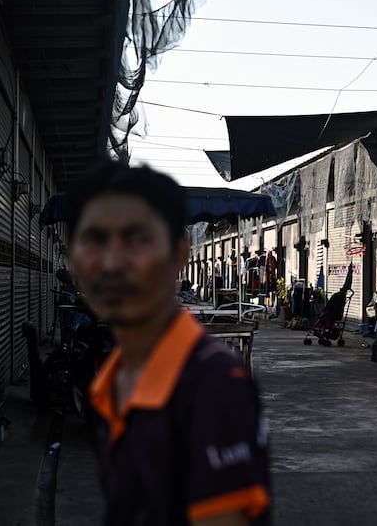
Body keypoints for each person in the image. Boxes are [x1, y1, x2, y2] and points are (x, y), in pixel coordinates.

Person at [66, 160, 270, 526]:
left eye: (136, 239)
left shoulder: (211, 385)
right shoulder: (113, 379)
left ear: (179, 254)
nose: (112, 263)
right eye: (94, 239)